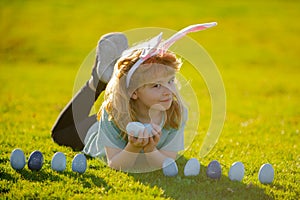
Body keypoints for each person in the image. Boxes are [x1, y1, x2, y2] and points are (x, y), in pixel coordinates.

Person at [52, 22, 217, 172]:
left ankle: (113, 77)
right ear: (135, 92)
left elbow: (167, 162)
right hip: (95, 133)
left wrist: (151, 150)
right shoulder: (112, 117)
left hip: (129, 105)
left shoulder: (177, 112)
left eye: (170, 81)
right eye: (156, 85)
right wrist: (133, 147)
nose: (168, 91)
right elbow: (115, 164)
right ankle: (97, 82)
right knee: (59, 133)